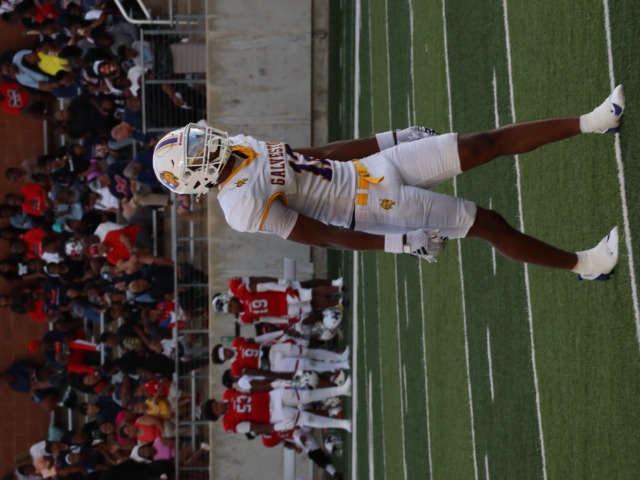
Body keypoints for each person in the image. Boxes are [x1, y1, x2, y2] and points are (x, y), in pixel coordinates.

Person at [152, 86, 625, 280]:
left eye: (196, 140)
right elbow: (324, 236)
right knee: (487, 223)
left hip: (373, 166)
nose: (204, 143)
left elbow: (317, 156)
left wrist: (389, 138)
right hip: (374, 205)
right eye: (195, 152)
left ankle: (593, 121)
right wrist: (398, 243)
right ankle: (584, 264)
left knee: (483, 143)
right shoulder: (241, 206)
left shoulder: (239, 145)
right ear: (195, 177)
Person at [200, 379, 352, 434]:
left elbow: (253, 390)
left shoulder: (228, 394)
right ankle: (342, 424)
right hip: (273, 414)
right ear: (217, 416)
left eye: (215, 404)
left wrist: (274, 384)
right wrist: (277, 427)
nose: (218, 406)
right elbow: (255, 427)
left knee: (307, 395)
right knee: (306, 419)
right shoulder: (229, 424)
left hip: (272, 396)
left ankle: (341, 390)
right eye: (216, 409)